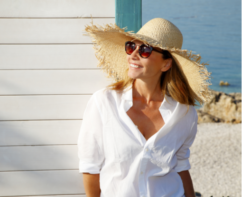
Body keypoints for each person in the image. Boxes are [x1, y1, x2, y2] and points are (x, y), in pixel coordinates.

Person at [77, 18, 212, 197]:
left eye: (145, 50)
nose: (133, 55)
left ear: (166, 64)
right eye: (131, 47)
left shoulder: (184, 114)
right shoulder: (104, 103)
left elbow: (181, 166)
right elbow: (90, 167)